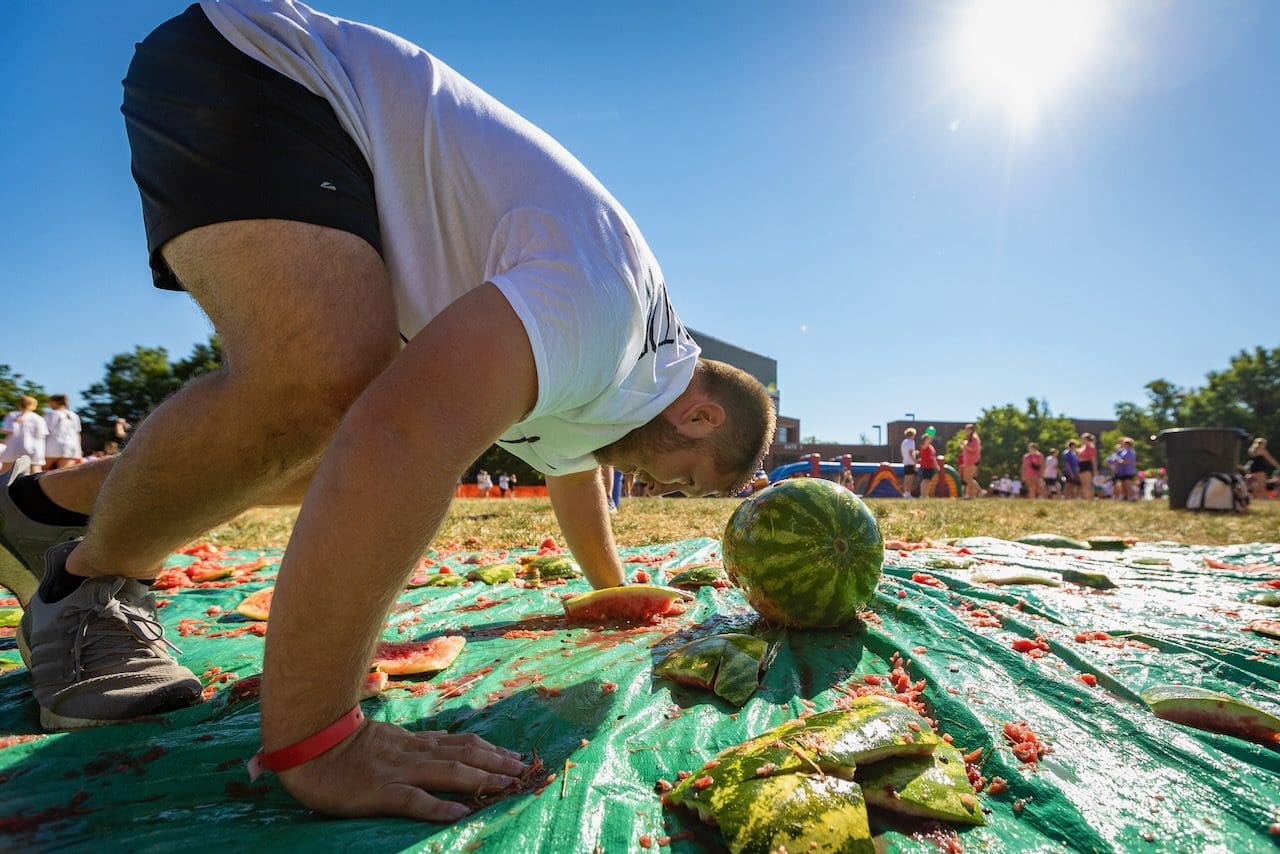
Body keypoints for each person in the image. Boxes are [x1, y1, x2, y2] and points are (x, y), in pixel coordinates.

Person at [0, 0, 775, 824]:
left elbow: (572, 475)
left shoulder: (624, 383)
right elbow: (401, 438)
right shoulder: (607, 317)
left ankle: (43, 513)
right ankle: (87, 584)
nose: (660, 491)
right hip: (275, 66)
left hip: (328, 133)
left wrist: (613, 592)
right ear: (699, 420)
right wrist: (318, 736)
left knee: (314, 443)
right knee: (329, 386)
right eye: (686, 481)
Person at [1, 397, 50, 474]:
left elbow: (9, 431)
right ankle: (35, 485)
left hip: (14, 446)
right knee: (35, 468)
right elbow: (43, 434)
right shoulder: (38, 418)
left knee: (6, 469)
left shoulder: (12, 415)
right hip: (34, 447)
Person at [43, 396, 84, 471]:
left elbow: (44, 430)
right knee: (62, 473)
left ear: (56, 402)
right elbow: (77, 434)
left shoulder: (52, 414)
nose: (48, 404)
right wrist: (79, 449)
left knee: (41, 469)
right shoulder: (74, 415)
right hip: (72, 446)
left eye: (50, 402)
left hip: (53, 445)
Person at [959, 424, 981, 499]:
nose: (966, 431)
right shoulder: (969, 439)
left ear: (972, 430)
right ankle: (970, 495)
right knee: (967, 479)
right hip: (967, 462)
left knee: (968, 479)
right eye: (965, 429)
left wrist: (965, 445)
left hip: (973, 461)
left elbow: (973, 449)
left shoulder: (974, 438)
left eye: (967, 430)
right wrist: (963, 446)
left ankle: (979, 491)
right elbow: (967, 449)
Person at [917, 433, 939, 498]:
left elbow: (934, 457)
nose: (930, 439)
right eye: (928, 438)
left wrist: (936, 465)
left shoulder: (931, 446)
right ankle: (922, 494)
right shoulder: (924, 445)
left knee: (929, 481)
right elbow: (925, 446)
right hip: (925, 466)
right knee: (925, 480)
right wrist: (927, 437)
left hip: (931, 466)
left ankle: (926, 494)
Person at [1077, 433, 1098, 499]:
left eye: (1083, 438)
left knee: (1088, 483)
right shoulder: (1082, 447)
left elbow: (1093, 459)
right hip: (1081, 465)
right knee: (1084, 484)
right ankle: (1087, 498)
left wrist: (1095, 469)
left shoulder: (1091, 447)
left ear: (1087, 439)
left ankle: (1091, 498)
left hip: (1087, 465)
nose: (1082, 439)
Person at [900, 427, 918, 498]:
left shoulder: (904, 442)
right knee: (910, 479)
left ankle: (906, 493)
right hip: (910, 462)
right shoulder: (911, 442)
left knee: (906, 478)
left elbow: (904, 452)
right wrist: (915, 461)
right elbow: (910, 453)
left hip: (905, 462)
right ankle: (908, 493)